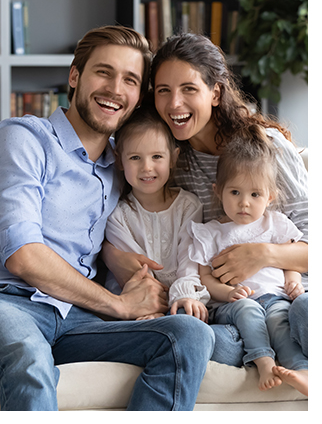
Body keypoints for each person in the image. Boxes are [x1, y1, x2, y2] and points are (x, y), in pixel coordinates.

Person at [0, 26, 215, 411]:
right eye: (104, 72)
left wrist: (115, 256)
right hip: (3, 301)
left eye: (130, 80)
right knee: (29, 361)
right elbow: (22, 252)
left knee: (188, 334)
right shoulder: (23, 138)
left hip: (74, 317)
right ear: (75, 76)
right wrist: (116, 305)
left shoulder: (125, 163)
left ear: (138, 98)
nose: (115, 89)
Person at [102, 32, 308, 368]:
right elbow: (122, 207)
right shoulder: (166, 159)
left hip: (286, 293)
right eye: (163, 91)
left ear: (215, 92)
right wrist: (112, 254)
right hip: (226, 309)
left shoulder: (263, 148)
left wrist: (262, 254)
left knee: (306, 315)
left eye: (189, 89)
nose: (174, 104)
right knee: (208, 343)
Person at [188, 124, 308, 395]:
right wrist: (229, 292)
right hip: (234, 305)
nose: (244, 203)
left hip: (275, 297)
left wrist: (293, 282)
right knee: (248, 311)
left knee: (280, 322)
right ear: (218, 191)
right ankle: (264, 361)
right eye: (235, 193)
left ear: (270, 197)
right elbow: (204, 277)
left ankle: (301, 371)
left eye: (255, 195)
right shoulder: (211, 232)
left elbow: (290, 259)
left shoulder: (276, 224)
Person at [105, 104, 210, 321]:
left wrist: (185, 296)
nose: (147, 167)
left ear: (173, 158)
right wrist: (151, 309)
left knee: (191, 321)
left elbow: (189, 260)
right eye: (135, 157)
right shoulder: (117, 214)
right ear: (119, 159)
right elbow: (138, 272)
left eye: (157, 157)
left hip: (181, 300)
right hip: (138, 304)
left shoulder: (188, 206)